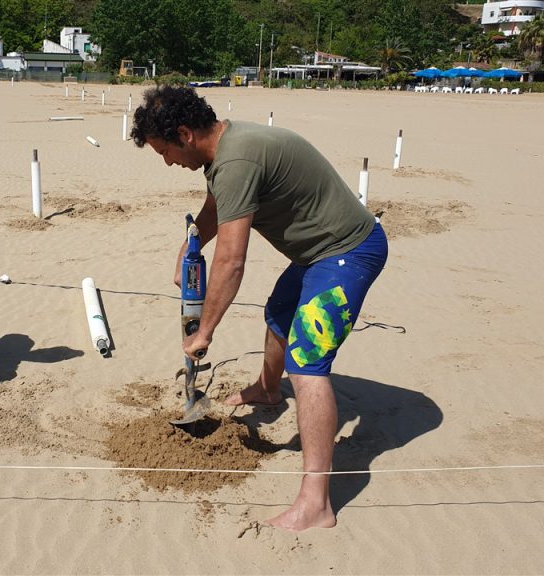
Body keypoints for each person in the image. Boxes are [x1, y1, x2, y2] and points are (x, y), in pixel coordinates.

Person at [131, 86, 388, 532]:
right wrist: (190, 245)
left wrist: (205, 331)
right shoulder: (225, 151)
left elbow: (232, 262)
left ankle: (316, 504)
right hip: (317, 253)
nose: (168, 162)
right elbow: (216, 206)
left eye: (165, 151)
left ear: (185, 134)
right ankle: (269, 390)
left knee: (307, 363)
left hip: (349, 250)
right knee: (278, 314)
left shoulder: (236, 161)